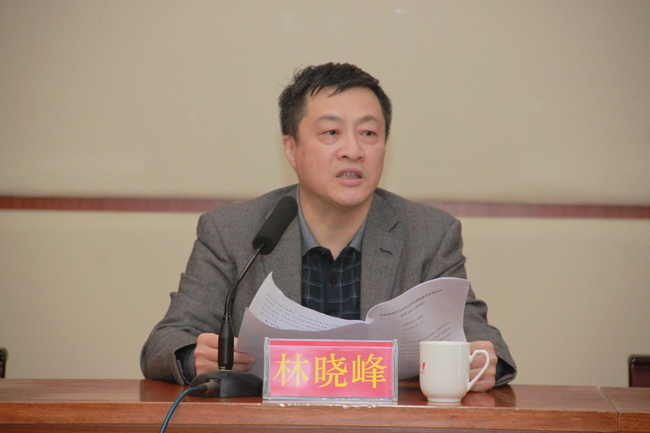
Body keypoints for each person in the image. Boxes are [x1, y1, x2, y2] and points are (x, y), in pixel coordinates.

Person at [141, 63, 516, 390]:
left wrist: (482, 364)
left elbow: (486, 345)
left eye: (368, 134)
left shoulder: (429, 235)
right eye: (331, 133)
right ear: (291, 149)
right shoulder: (233, 232)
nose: (353, 150)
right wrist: (193, 358)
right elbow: (164, 343)